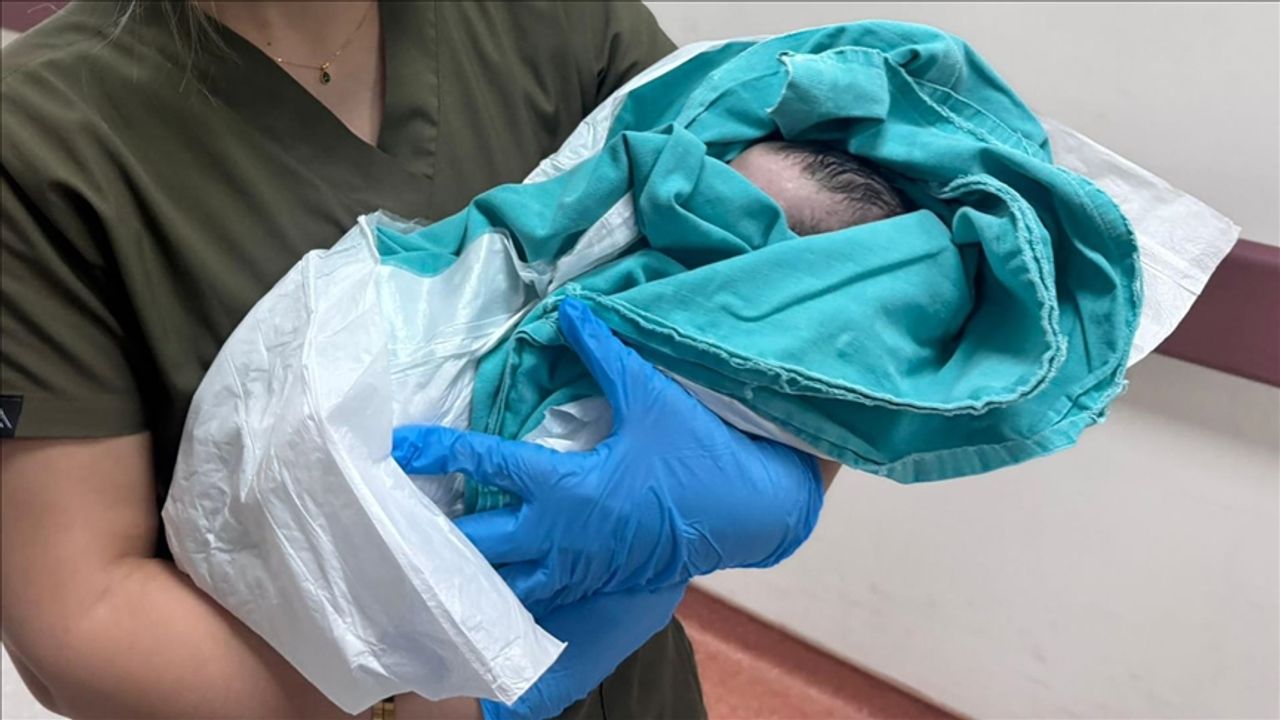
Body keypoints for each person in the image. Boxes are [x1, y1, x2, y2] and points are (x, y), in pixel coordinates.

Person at [0, 2, 837, 718]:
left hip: (628, 691)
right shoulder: (43, 136)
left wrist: (772, 482)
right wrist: (441, 700)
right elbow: (83, 619)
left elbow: (822, 281)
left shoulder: (553, 19)